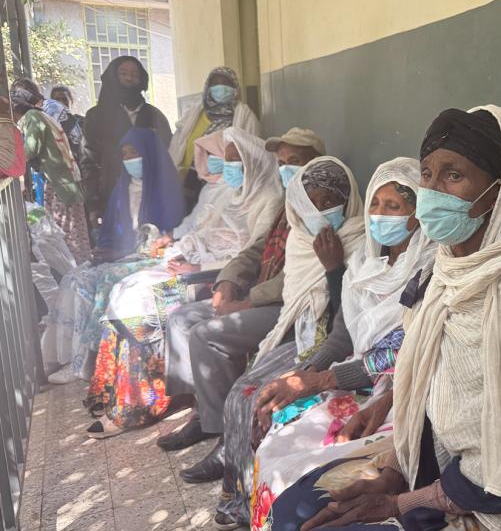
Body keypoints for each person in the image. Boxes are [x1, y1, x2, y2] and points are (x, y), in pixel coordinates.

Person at [282, 105, 501, 531]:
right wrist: (394, 468)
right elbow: (425, 380)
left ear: (498, 192)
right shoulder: (447, 264)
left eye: (453, 175)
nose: (431, 191)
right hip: (428, 456)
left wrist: (399, 503)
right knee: (293, 509)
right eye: (427, 174)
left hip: (485, 496)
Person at [212, 157, 436, 530]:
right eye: (376, 204)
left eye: (394, 206)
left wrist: (322, 380)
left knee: (305, 466)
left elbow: (405, 353)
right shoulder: (363, 265)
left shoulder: (430, 270)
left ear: (417, 215)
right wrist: (306, 372)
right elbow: (342, 335)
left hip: (400, 392)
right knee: (277, 430)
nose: (380, 215)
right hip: (356, 378)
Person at [157, 137, 356, 451]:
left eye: (295, 161)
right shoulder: (290, 209)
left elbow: (301, 287)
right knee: (180, 319)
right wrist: (226, 282)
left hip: (288, 307)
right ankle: (202, 412)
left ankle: (218, 430)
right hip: (277, 297)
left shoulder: (347, 233)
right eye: (282, 163)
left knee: (206, 336)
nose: (287, 170)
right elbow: (255, 250)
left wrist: (246, 302)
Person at [83, 127, 282, 438]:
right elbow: (205, 234)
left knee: (142, 300)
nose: (228, 166)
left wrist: (200, 267)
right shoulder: (235, 195)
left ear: (252, 161)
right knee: (125, 289)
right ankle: (117, 393)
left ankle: (139, 404)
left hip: (215, 277)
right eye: (227, 159)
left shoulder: (268, 200)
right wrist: (181, 251)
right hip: (202, 267)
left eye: (235, 160)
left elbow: (250, 256)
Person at [41, 127, 184, 384]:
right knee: (74, 278)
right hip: (121, 256)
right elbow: (111, 232)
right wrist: (104, 251)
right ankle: (64, 356)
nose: (129, 159)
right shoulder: (122, 188)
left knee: (106, 280)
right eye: (124, 154)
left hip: (151, 257)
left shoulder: (165, 188)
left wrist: (122, 253)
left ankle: (87, 361)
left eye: (134, 153)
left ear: (149, 154)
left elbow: (166, 238)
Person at [83, 56, 172, 229]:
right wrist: (93, 204)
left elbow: (168, 155)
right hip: (111, 196)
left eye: (134, 74)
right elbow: (89, 161)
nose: (129, 78)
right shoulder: (96, 117)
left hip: (151, 197)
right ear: (112, 78)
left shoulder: (154, 116)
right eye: (123, 74)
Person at [10, 78, 92, 263]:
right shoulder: (43, 115)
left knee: (65, 230)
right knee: (74, 230)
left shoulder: (33, 117)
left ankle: (75, 270)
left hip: (60, 184)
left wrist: (11, 162)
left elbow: (30, 149)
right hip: (66, 180)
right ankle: (82, 266)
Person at [168, 66, 260, 213]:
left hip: (223, 186)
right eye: (215, 83)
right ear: (208, 87)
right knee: (189, 219)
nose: (220, 87)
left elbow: (251, 152)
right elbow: (177, 144)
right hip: (187, 182)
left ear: (235, 88)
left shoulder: (244, 116)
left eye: (226, 83)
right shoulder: (195, 113)